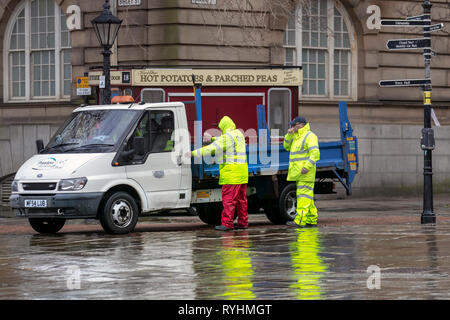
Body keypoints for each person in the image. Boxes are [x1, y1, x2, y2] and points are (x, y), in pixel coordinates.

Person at [185, 116, 248, 231]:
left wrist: (192, 153)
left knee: (229, 201)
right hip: (242, 174)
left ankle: (227, 224)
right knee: (241, 201)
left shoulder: (226, 138)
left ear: (223, 126)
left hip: (231, 175)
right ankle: (243, 223)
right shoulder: (238, 134)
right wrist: (213, 138)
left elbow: (211, 149)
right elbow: (223, 141)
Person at [283, 116, 320, 228]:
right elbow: (286, 147)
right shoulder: (296, 137)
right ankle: (311, 219)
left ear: (301, 124)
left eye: (294, 125)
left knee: (303, 197)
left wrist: (307, 167)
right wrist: (289, 134)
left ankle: (300, 221)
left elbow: (315, 154)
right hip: (299, 173)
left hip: (305, 173)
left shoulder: (310, 136)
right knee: (307, 197)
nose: (292, 127)